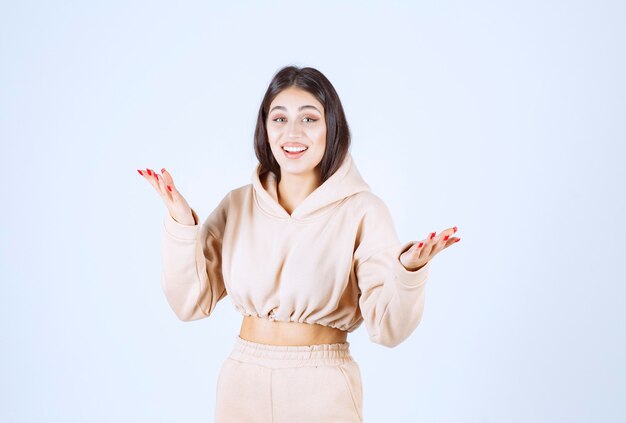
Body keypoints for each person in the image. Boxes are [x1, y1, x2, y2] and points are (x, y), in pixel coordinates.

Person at [138, 65, 460, 422]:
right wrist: (182, 226)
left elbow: (388, 328)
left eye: (309, 119)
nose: (292, 132)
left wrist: (409, 272)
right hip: (242, 383)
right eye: (279, 119)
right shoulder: (238, 204)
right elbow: (189, 303)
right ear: (265, 129)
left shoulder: (363, 210)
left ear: (331, 128)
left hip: (322, 388)